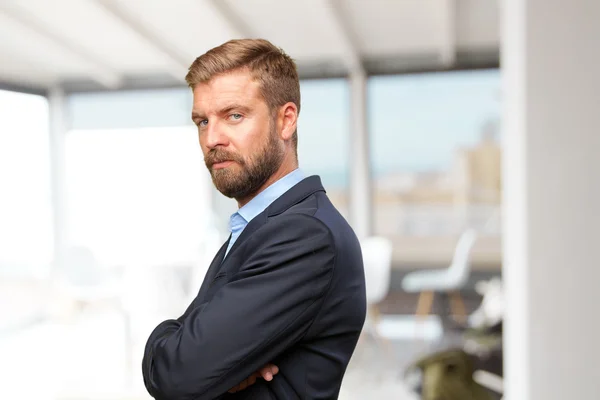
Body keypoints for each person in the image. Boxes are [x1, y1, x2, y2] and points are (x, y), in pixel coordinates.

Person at [142, 38, 366, 400]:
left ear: (286, 120)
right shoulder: (258, 226)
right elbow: (191, 360)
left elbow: (177, 375)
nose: (212, 138)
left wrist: (169, 343)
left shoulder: (305, 235)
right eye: (202, 121)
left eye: (234, 115)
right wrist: (199, 354)